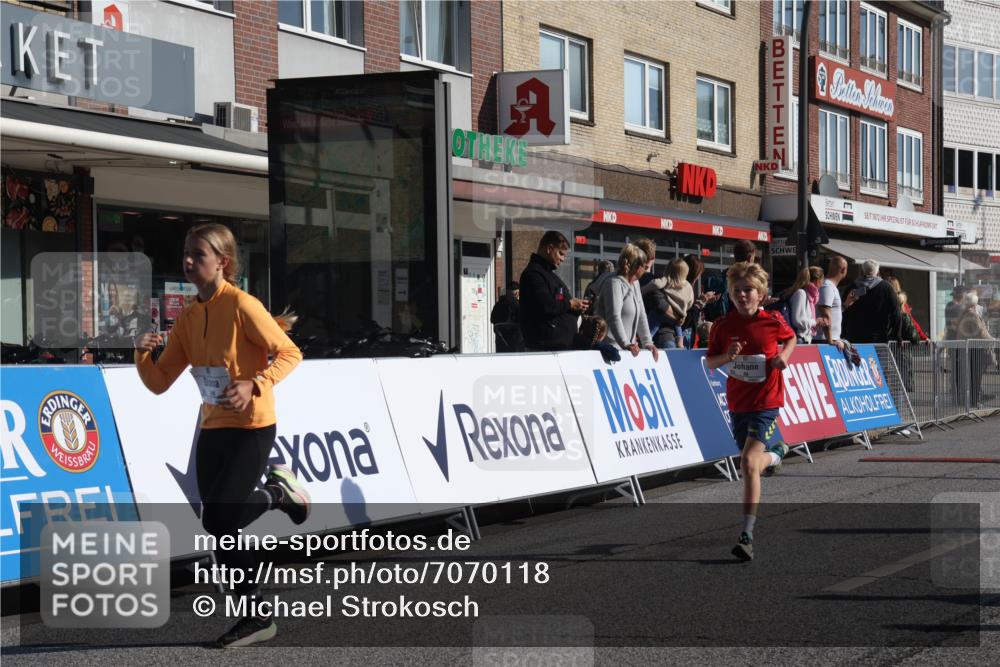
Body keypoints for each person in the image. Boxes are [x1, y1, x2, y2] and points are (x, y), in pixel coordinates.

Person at [133, 223, 307, 648]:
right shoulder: (189, 317)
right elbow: (158, 382)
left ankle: (276, 496)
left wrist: (255, 384)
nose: (188, 262)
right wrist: (140, 353)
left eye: (198, 255)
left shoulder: (243, 305)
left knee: (219, 518)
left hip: (251, 427)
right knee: (221, 529)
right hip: (212, 428)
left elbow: (290, 352)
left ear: (222, 263)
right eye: (186, 254)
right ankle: (255, 617)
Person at [706, 261, 795, 562]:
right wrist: (726, 356)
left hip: (767, 402)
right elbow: (710, 363)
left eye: (748, 291)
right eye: (736, 291)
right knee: (754, 464)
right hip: (738, 402)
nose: (742, 296)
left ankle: (747, 534)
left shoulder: (772, 321)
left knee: (746, 462)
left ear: (760, 294)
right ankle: (777, 454)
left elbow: (791, 337)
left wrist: (783, 356)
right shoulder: (722, 325)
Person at [518, 231, 589, 351]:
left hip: (559, 346)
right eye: (561, 254)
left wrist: (576, 307)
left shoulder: (551, 276)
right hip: (545, 349)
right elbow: (547, 306)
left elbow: (558, 302)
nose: (562, 259)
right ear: (549, 248)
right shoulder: (533, 274)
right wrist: (570, 304)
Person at [595, 243, 659, 360]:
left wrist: (648, 342)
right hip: (610, 350)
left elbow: (641, 315)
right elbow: (614, 317)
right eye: (644, 267)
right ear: (637, 267)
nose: (645, 270)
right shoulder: (614, 283)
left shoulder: (635, 283)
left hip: (627, 350)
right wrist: (626, 343)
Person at [841, 259, 902, 344]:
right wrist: (897, 336)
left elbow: (844, 312)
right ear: (877, 272)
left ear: (862, 271)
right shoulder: (886, 288)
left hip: (854, 337)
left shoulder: (851, 287)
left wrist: (843, 334)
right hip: (878, 338)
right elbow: (896, 313)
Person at [953, 291, 995, 408]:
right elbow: (981, 332)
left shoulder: (964, 313)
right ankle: (974, 401)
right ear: (975, 304)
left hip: (967, 348)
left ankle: (971, 400)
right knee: (975, 376)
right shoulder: (972, 315)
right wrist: (993, 340)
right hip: (974, 349)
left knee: (970, 376)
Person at [644, 258, 694, 349]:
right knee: (678, 325)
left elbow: (655, 284)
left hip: (663, 313)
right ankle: (680, 342)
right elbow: (691, 301)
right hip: (679, 316)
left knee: (654, 317)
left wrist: (642, 290)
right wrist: (684, 310)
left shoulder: (667, 279)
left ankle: (647, 339)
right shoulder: (688, 286)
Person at [774, 267, 817, 343]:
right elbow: (797, 320)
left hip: (802, 338)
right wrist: (815, 322)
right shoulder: (801, 293)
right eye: (822, 280)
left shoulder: (807, 296)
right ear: (816, 281)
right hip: (799, 339)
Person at [816, 256, 847, 348]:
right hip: (824, 341)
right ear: (844, 270)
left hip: (829, 340)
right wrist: (830, 340)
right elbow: (825, 313)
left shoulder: (830, 286)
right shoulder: (827, 287)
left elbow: (831, 311)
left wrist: (846, 304)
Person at [490, 282, 523, 352]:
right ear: (517, 293)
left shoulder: (498, 304)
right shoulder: (518, 305)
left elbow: (492, 319)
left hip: (500, 341)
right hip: (515, 342)